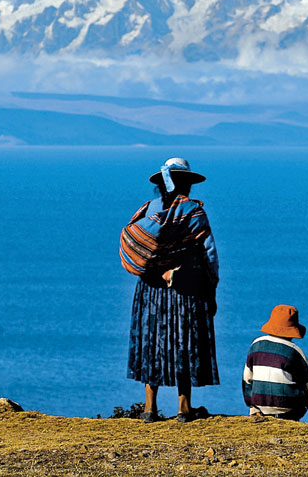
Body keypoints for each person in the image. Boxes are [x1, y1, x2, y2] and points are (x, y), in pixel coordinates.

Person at [123, 157, 219, 423]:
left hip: (149, 290)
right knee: (183, 343)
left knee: (151, 342)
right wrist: (211, 289)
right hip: (184, 289)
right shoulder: (193, 211)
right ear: (186, 184)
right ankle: (183, 408)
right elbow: (209, 254)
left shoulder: (146, 210)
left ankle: (149, 408)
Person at [242, 304, 308, 425]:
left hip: (260, 408)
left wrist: (253, 406)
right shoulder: (295, 352)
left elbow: (247, 381)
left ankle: (256, 412)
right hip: (287, 412)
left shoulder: (255, 345)